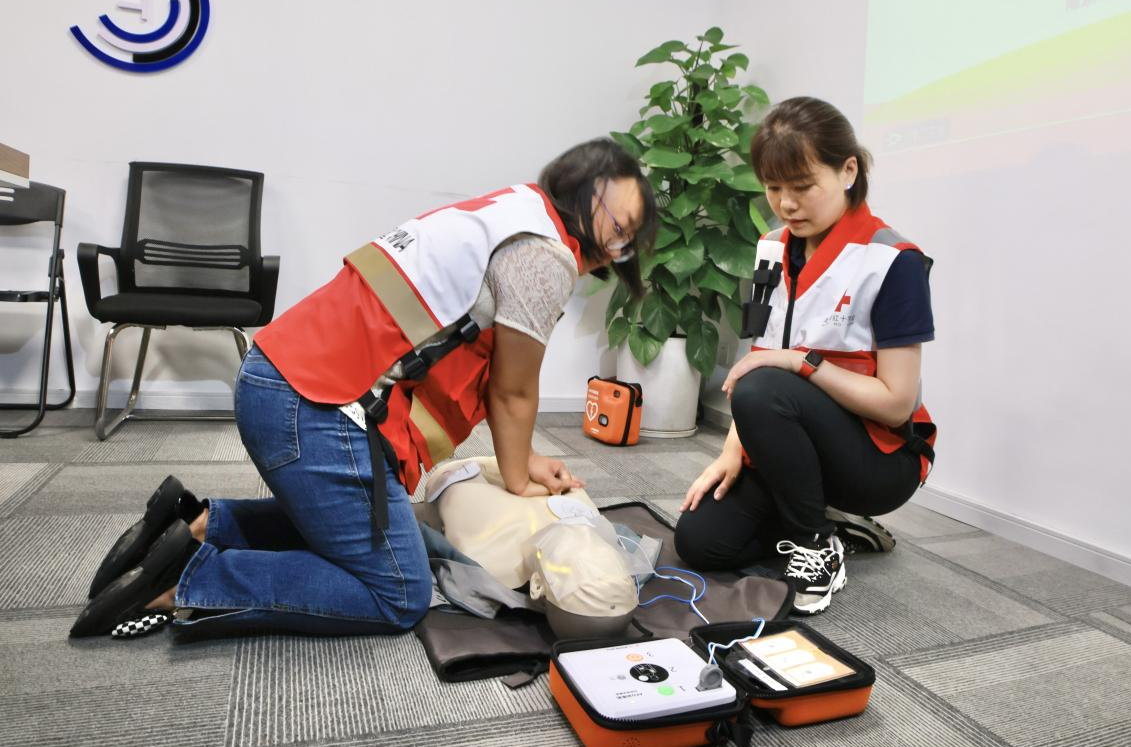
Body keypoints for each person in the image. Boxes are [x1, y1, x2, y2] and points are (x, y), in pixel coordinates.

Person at [72, 137, 657, 639]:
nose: (618, 248)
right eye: (618, 227)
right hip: (314, 410)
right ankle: (185, 582)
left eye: (628, 239)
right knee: (400, 590)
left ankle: (195, 525)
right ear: (583, 191)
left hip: (276, 377)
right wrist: (519, 479)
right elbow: (513, 393)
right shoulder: (544, 255)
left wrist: (525, 459)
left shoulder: (509, 210)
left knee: (365, 529)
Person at [672, 97, 936, 616]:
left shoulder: (892, 261)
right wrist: (732, 452)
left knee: (765, 386)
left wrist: (805, 363)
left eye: (802, 186)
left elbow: (896, 405)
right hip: (793, 445)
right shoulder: (772, 247)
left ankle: (816, 542)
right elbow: (759, 357)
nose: (786, 204)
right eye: (774, 188)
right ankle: (828, 523)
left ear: (848, 171)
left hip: (878, 458)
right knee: (701, 544)